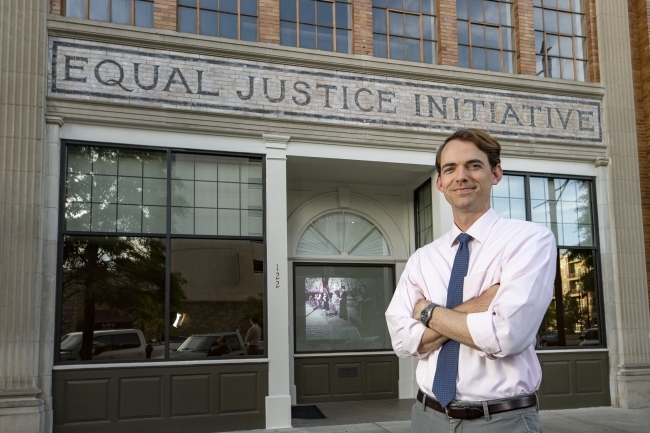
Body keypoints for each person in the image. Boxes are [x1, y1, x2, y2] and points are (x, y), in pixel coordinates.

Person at [385, 129, 556, 432]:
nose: (461, 176)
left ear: (496, 173)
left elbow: (507, 335)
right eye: (450, 168)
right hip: (427, 417)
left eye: (473, 165)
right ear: (440, 182)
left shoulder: (529, 240)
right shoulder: (423, 258)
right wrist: (479, 305)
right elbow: (401, 340)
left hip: (502, 420)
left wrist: (427, 312)